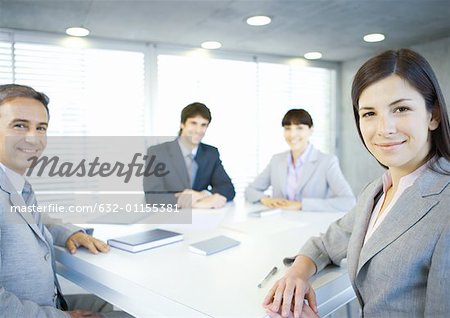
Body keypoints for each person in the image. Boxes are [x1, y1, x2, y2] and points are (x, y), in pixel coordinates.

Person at [263, 48, 450, 318]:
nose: (384, 129)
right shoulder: (377, 190)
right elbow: (325, 244)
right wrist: (297, 274)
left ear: (433, 115)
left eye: (401, 108)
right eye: (369, 113)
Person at [0, 84, 132, 317]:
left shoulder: (15, 182)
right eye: (19, 125)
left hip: (49, 302)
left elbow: (34, 221)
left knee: (120, 306)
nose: (33, 138)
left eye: (41, 128)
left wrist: (71, 233)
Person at [245, 109, 355, 212]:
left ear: (311, 130)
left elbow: (348, 201)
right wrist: (265, 199)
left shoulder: (327, 162)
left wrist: (301, 205)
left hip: (312, 226)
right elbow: (250, 191)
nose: (292, 134)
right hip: (279, 224)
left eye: (299, 128)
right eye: (288, 128)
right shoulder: (276, 160)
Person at [143, 102, 235, 209]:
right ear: (182, 124)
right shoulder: (157, 153)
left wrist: (203, 194)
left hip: (203, 218)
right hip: (167, 217)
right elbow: (152, 197)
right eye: (193, 123)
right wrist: (193, 202)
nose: (198, 130)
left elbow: (228, 188)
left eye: (203, 125)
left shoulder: (211, 153)